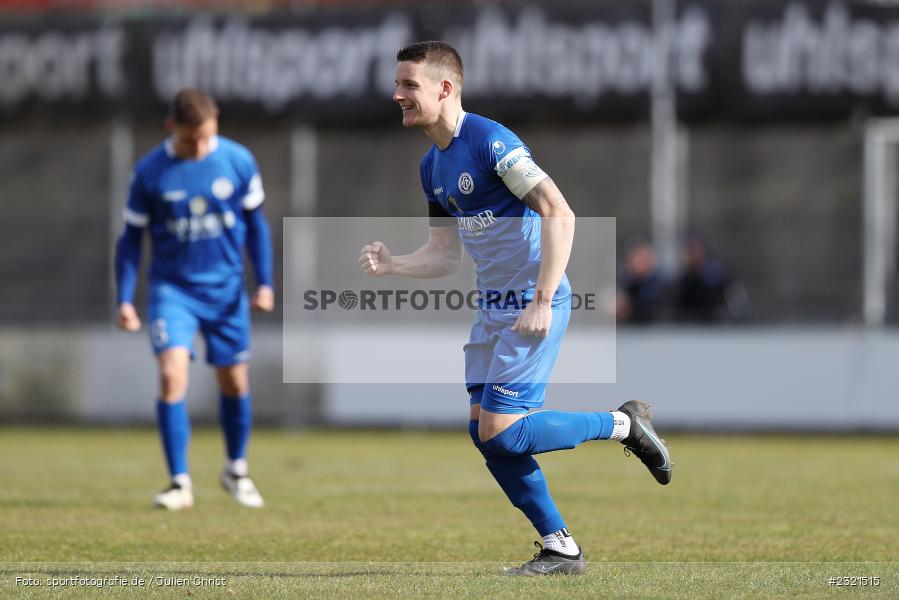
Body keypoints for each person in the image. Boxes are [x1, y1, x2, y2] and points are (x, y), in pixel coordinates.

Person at [360, 41, 671, 576]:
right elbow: (443, 254)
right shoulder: (431, 166)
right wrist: (394, 267)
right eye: (398, 85)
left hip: (532, 302)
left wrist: (543, 298)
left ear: (445, 88)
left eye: (408, 85)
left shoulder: (489, 141)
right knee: (484, 431)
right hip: (492, 310)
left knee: (502, 431)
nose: (397, 95)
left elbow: (559, 211)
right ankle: (560, 547)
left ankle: (623, 425)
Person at [114, 88, 274, 511]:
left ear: (215, 123)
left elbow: (257, 227)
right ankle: (179, 483)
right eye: (191, 139)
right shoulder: (150, 171)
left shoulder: (238, 161)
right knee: (171, 376)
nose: (200, 146)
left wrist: (265, 284)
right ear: (172, 128)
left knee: (235, 381)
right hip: (173, 290)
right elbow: (130, 239)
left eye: (207, 137)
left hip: (226, 290)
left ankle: (235, 469)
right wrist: (125, 299)